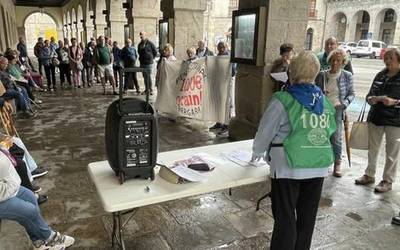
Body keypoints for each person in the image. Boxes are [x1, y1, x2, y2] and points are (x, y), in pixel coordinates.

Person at [252, 51, 336, 250]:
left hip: (288, 167)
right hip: (317, 165)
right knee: (307, 220)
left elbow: (265, 132)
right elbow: (330, 130)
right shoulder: (324, 101)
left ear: (292, 72)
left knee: (285, 220)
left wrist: (257, 152)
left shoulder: (283, 99)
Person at [0, 150, 75, 249]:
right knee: (29, 211)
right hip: (4, 192)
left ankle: (38, 242)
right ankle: (50, 237)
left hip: (9, 185)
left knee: (31, 198)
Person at [355, 48, 400, 193]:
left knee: (391, 153)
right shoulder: (380, 75)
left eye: (390, 59)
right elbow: (369, 95)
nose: (387, 61)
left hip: (395, 120)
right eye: (385, 58)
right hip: (376, 117)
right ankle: (369, 175)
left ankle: (387, 180)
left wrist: (394, 102)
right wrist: (371, 99)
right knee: (373, 148)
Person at [315, 48, 355, 177]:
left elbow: (352, 94)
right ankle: (322, 161)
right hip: (322, 110)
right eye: (333, 60)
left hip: (337, 110)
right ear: (329, 61)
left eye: (339, 61)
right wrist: (320, 93)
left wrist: (343, 104)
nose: (335, 63)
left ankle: (337, 163)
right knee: (321, 136)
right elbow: (314, 90)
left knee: (336, 138)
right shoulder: (322, 74)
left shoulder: (347, 75)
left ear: (343, 62)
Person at [138, 31, 157, 95]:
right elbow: (139, 52)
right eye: (140, 34)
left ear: (145, 35)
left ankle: (151, 90)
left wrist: (151, 58)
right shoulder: (140, 44)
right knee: (144, 77)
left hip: (148, 63)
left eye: (142, 34)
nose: (141, 35)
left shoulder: (150, 43)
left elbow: (155, 52)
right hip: (142, 62)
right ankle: (146, 89)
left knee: (148, 76)